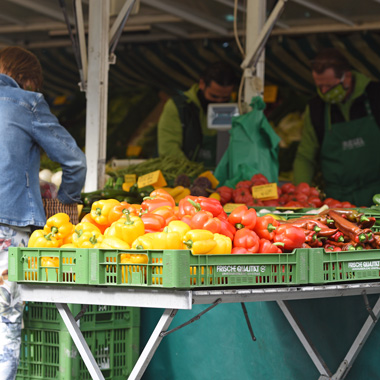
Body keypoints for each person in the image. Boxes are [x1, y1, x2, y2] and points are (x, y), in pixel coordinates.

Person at [0, 46, 86, 380]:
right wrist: (65, 204)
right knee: (6, 323)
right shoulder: (26, 101)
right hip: (8, 227)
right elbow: (74, 161)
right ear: (26, 79)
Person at [293, 48, 380, 207]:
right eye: (320, 87)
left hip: (376, 195)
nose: (324, 92)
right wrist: (300, 194)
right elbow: (305, 156)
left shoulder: (376, 96)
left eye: (329, 86)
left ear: (347, 76)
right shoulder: (316, 108)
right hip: (336, 201)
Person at [157, 61, 237, 168]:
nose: (219, 101)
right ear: (202, 84)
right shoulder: (178, 107)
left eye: (225, 98)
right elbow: (168, 148)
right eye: (214, 96)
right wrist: (193, 174)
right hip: (183, 176)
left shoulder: (235, 111)